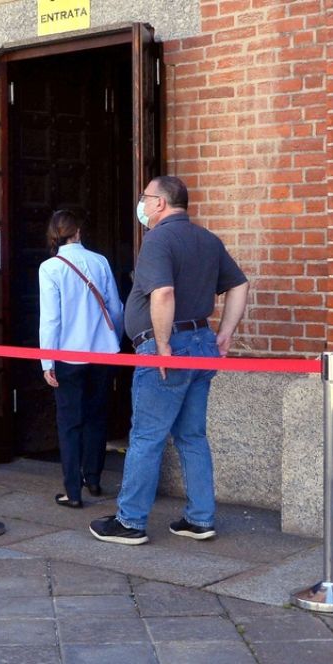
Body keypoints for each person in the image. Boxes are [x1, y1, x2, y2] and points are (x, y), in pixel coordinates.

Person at [90, 176, 249, 545]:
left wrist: (163, 347)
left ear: (160, 203)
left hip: (169, 347)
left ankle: (130, 521)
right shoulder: (207, 239)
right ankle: (199, 518)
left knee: (147, 436)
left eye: (145, 197)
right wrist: (224, 333)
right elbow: (240, 284)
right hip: (202, 344)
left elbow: (163, 293)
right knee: (192, 435)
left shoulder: (158, 239)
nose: (142, 205)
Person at [39, 209, 123, 508]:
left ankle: (72, 491)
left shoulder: (50, 268)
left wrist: (46, 361)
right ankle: (95, 478)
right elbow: (115, 307)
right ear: (78, 232)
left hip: (67, 354)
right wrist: (113, 336)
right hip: (103, 351)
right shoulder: (99, 261)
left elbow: (51, 319)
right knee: (97, 416)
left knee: (70, 422)